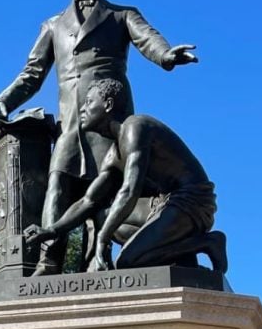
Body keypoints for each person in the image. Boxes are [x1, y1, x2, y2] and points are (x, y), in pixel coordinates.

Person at [0, 0, 198, 275]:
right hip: (73, 123)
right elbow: (32, 73)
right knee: (58, 186)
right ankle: (48, 262)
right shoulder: (54, 25)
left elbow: (148, 39)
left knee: (104, 196)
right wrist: (3, 101)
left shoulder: (120, 15)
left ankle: (96, 261)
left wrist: (166, 55)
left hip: (108, 119)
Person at [23, 78, 227, 272]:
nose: (82, 109)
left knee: (128, 261)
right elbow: (89, 201)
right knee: (103, 215)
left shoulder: (135, 128)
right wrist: (52, 230)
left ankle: (207, 243)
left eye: (89, 102)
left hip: (192, 202)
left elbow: (130, 190)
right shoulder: (114, 152)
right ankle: (177, 255)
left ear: (108, 104)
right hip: (161, 204)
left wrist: (102, 238)